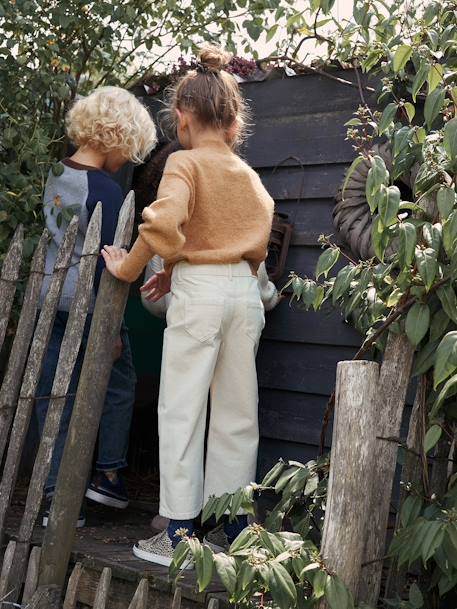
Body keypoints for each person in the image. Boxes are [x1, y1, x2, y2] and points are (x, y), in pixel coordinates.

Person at [102, 46, 275, 566]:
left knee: (181, 412)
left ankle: (179, 532)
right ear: (233, 120)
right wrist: (176, 269)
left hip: (199, 298)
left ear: (181, 117)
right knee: (237, 415)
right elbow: (237, 235)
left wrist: (131, 269)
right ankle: (235, 526)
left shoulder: (183, 161)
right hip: (244, 296)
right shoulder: (246, 173)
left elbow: (165, 220)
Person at [35, 86, 157, 527]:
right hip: (89, 307)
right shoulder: (104, 190)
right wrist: (114, 331)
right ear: (116, 136)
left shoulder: (54, 175)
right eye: (130, 148)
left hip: (51, 302)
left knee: (53, 392)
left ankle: (51, 496)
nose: (128, 159)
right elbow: (112, 264)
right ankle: (107, 474)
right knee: (118, 383)